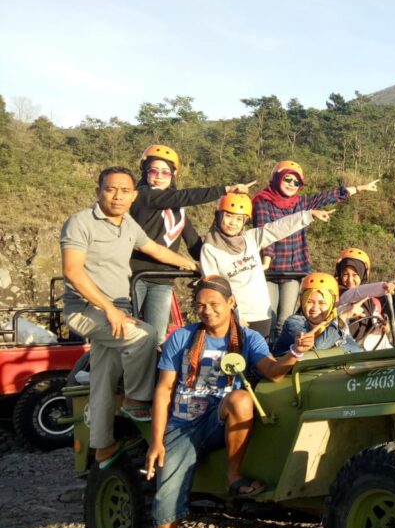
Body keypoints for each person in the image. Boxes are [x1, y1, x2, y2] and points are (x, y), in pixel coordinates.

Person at [143, 275, 311, 528]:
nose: (207, 311)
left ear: (231, 304)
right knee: (166, 505)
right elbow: (163, 390)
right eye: (201, 305)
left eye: (214, 305)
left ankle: (234, 476)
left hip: (219, 420)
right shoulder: (183, 338)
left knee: (240, 399)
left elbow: (272, 372)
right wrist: (156, 442)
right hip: (182, 425)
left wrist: (295, 352)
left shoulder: (247, 339)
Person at [60, 167, 199, 467]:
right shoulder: (80, 223)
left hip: (118, 310)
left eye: (125, 191)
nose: (118, 196)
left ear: (134, 194)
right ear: (99, 190)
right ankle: (136, 400)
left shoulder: (130, 224)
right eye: (111, 189)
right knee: (145, 335)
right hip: (87, 309)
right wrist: (109, 309)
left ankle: (102, 447)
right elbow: (73, 271)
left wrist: (195, 267)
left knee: (103, 377)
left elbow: (158, 251)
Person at [130, 144, 255, 342]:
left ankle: (153, 372)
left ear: (173, 174)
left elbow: (193, 242)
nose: (159, 176)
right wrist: (224, 190)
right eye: (153, 170)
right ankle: (126, 373)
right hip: (136, 275)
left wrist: (219, 260)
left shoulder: (177, 209)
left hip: (162, 278)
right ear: (145, 172)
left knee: (157, 336)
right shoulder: (142, 196)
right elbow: (183, 196)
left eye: (166, 172)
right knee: (131, 333)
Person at [252, 160, 379, 335]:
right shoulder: (263, 201)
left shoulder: (300, 203)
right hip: (269, 268)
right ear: (276, 178)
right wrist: (266, 259)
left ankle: (281, 356)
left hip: (292, 270)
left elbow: (325, 197)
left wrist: (359, 188)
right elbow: (264, 231)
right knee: (269, 318)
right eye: (287, 179)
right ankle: (264, 357)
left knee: (285, 319)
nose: (291, 184)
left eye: (296, 182)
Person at [200, 194, 333, 338]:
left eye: (239, 219)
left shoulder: (250, 238)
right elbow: (213, 289)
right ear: (219, 216)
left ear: (244, 221)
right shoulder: (210, 249)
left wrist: (308, 215)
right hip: (237, 317)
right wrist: (234, 315)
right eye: (228, 216)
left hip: (262, 313)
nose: (233, 223)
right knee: (236, 359)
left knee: (262, 357)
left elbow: (277, 228)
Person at [272, 273, 363, 355]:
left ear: (333, 304)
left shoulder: (333, 323)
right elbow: (315, 350)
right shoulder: (293, 323)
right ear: (302, 302)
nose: (315, 308)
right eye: (309, 302)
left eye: (322, 303)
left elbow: (356, 352)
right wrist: (343, 318)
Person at [333, 248, 395, 350]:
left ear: (363, 274)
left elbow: (379, 322)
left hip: (374, 348)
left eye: (355, 275)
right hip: (349, 351)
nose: (350, 280)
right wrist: (383, 286)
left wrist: (385, 327)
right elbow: (357, 293)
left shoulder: (372, 302)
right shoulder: (339, 296)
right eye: (345, 274)